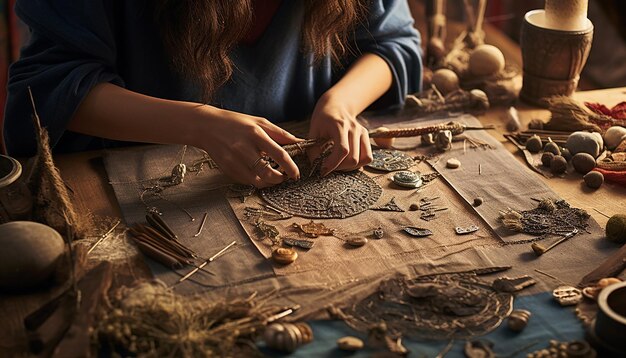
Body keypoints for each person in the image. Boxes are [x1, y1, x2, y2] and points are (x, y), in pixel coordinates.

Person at [4, 0, 422, 187]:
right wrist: (197, 124)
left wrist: (341, 103)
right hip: (134, 180)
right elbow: (47, 89)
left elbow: (394, 44)